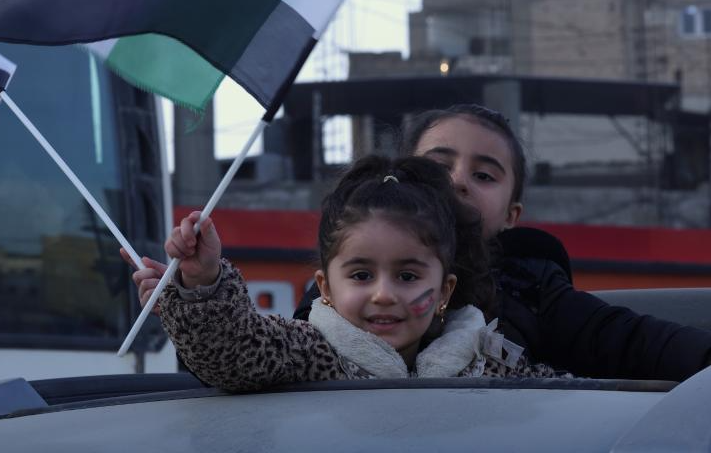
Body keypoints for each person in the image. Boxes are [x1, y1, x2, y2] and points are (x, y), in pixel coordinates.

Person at [294, 104, 711, 381]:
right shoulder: (335, 294)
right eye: (439, 165)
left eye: (484, 175)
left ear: (512, 215)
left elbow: (630, 341)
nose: (458, 181)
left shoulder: (533, 291)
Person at [146, 155, 562, 392]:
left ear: (444, 292)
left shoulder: (491, 366)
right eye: (362, 275)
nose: (384, 294)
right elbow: (233, 351)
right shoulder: (308, 353)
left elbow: (562, 409)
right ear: (325, 287)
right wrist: (201, 282)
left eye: (408, 277)